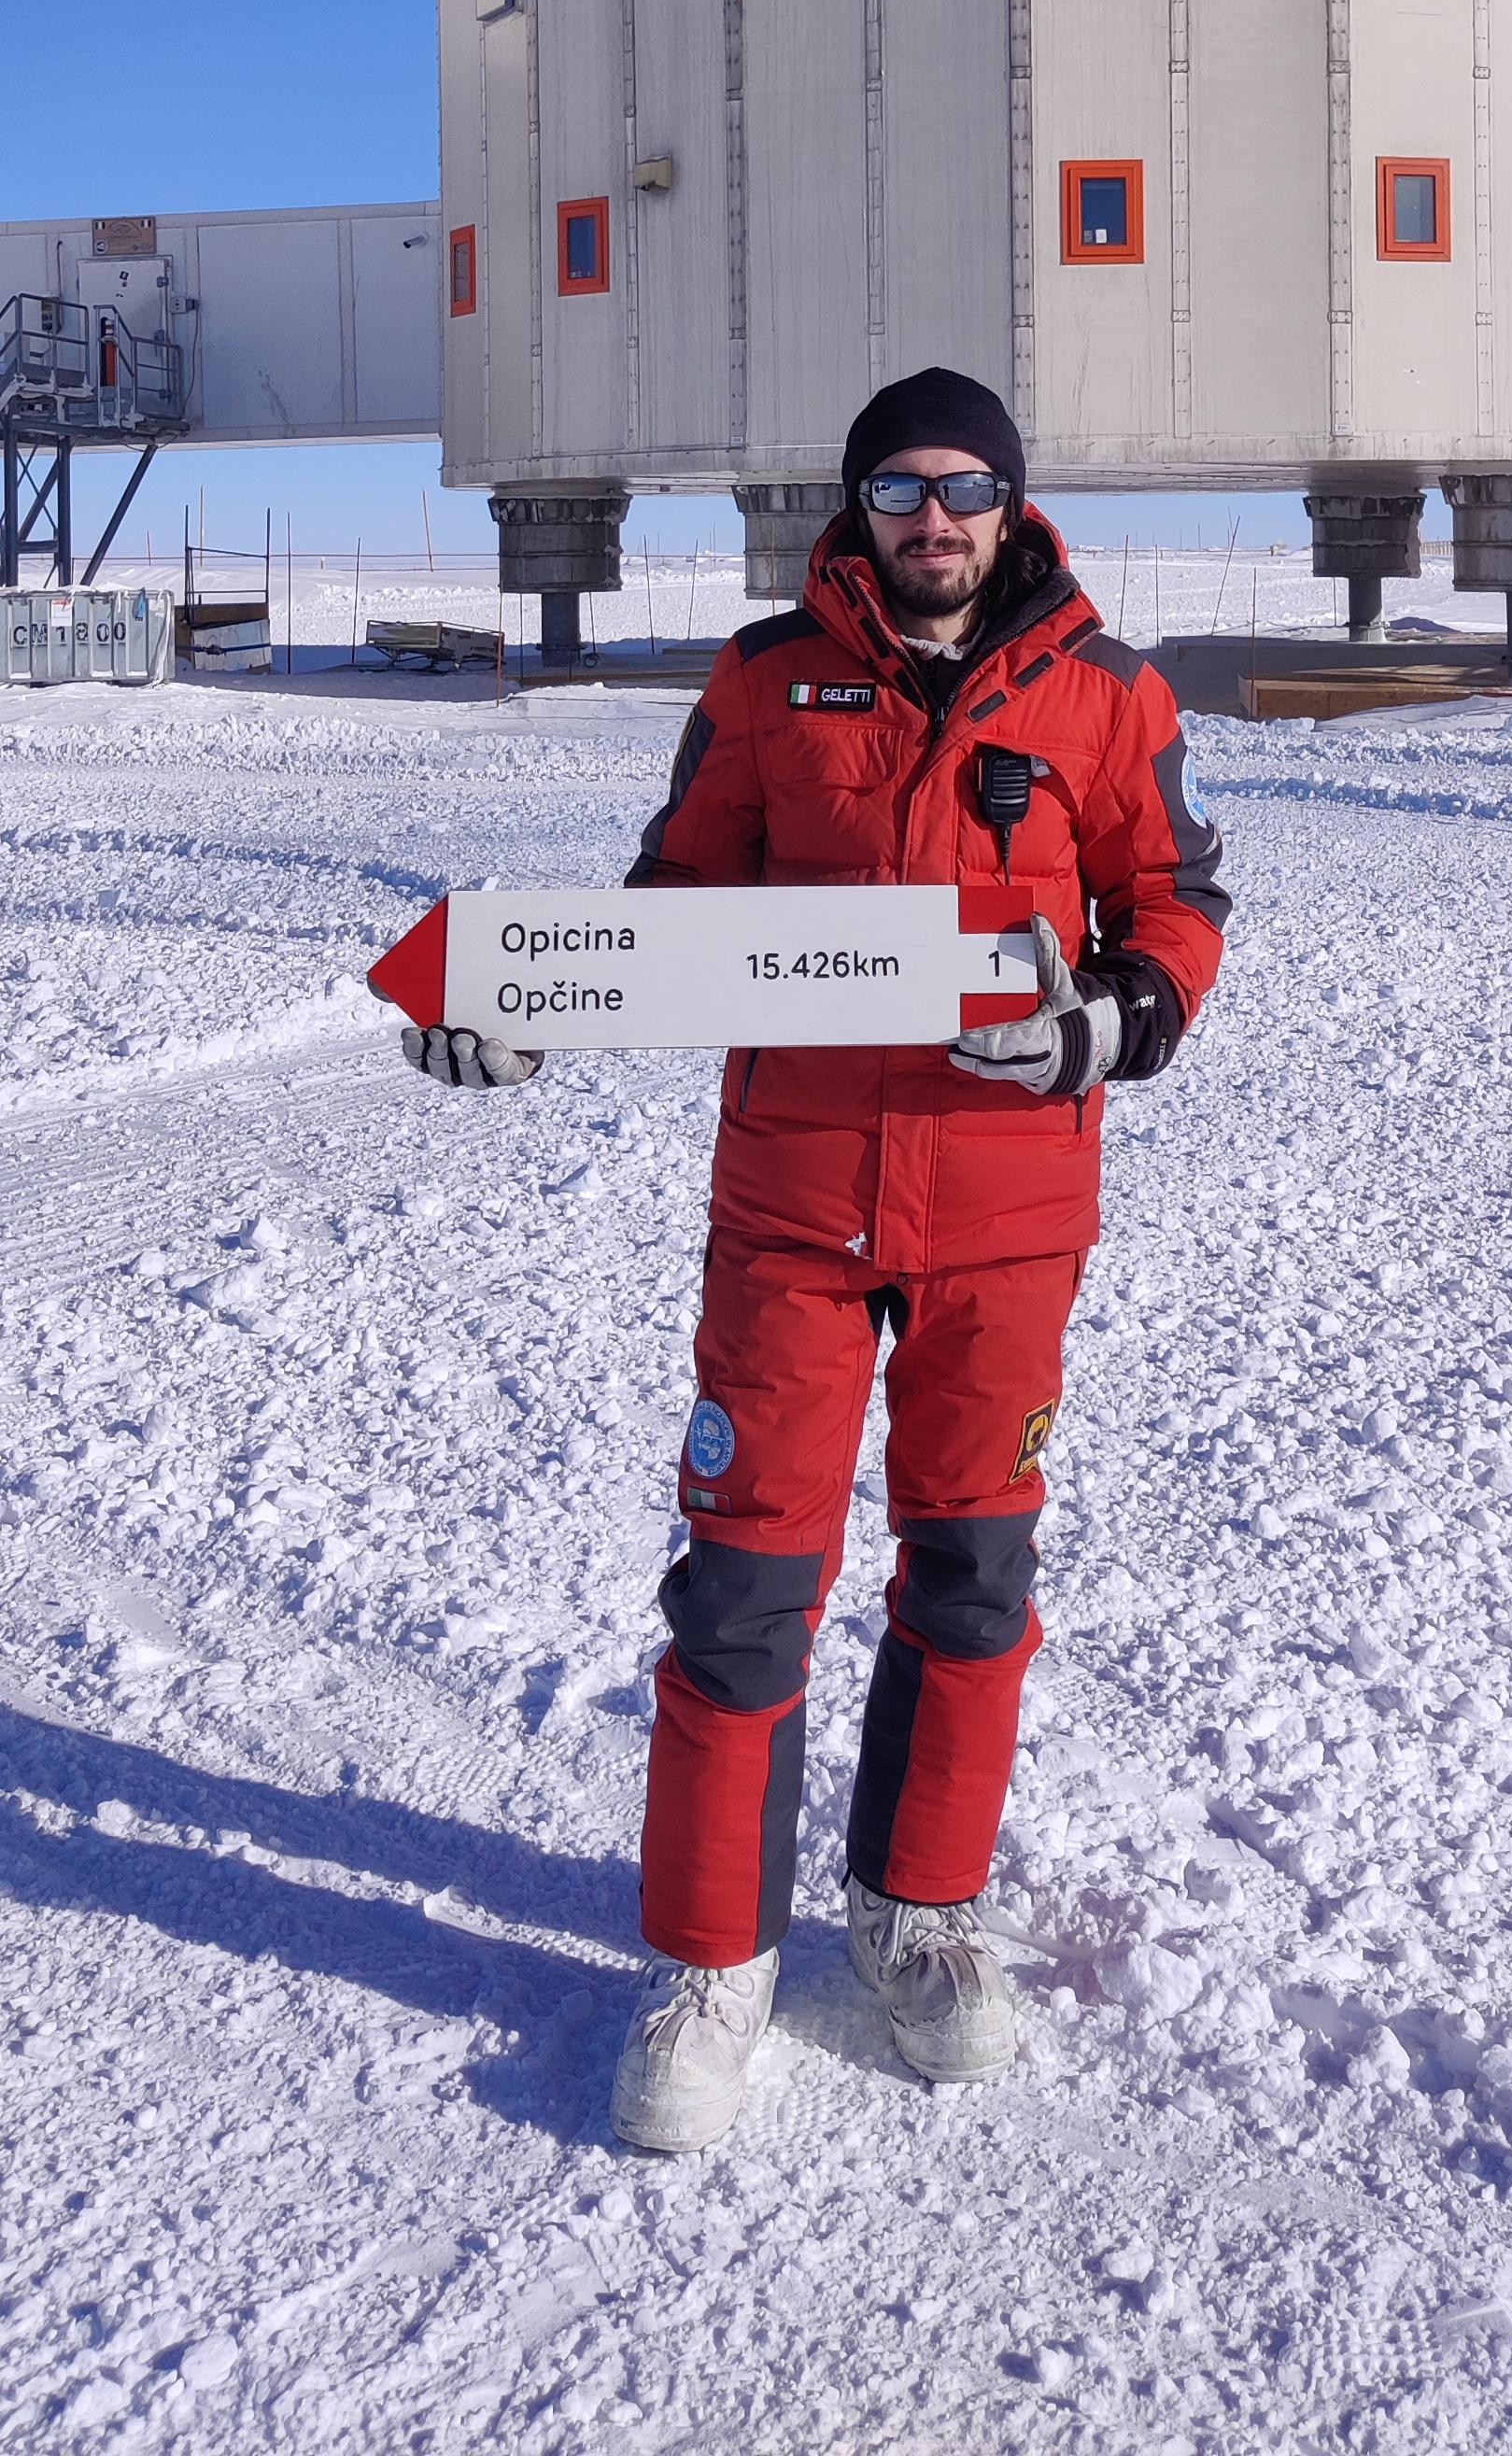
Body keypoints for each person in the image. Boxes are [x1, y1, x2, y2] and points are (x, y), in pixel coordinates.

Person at [407, 369, 1229, 2152]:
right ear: (851, 512)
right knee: (742, 1581)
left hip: (1007, 1217)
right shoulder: (767, 684)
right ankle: (716, 1963)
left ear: (1010, 504)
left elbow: (1174, 899)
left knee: (973, 1571)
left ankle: (918, 1914)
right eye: (893, 491)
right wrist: (528, 1010)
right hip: (792, 1207)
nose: (927, 519)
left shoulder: (1107, 693)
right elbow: (677, 906)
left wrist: (1117, 1021)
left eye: (960, 487)